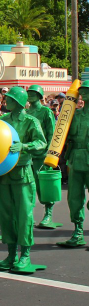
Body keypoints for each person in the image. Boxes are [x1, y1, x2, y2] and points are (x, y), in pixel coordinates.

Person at [0, 87, 46, 273]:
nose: (6, 101)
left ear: (19, 102)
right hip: (3, 174)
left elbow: (41, 143)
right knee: (6, 216)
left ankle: (25, 255)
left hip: (23, 174)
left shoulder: (31, 121)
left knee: (24, 216)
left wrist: (24, 146)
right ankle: (10, 254)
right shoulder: (1, 121)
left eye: (10, 99)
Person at [57, 80, 89, 248]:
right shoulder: (74, 114)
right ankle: (78, 232)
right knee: (74, 197)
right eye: (83, 91)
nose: (85, 94)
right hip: (76, 159)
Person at [26, 84, 58, 229]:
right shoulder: (25, 112)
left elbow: (52, 134)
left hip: (42, 155)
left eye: (34, 93)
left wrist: (50, 155)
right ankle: (28, 215)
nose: (31, 95)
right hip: (28, 155)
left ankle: (48, 214)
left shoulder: (46, 112)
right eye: (29, 93)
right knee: (28, 187)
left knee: (44, 186)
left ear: (40, 96)